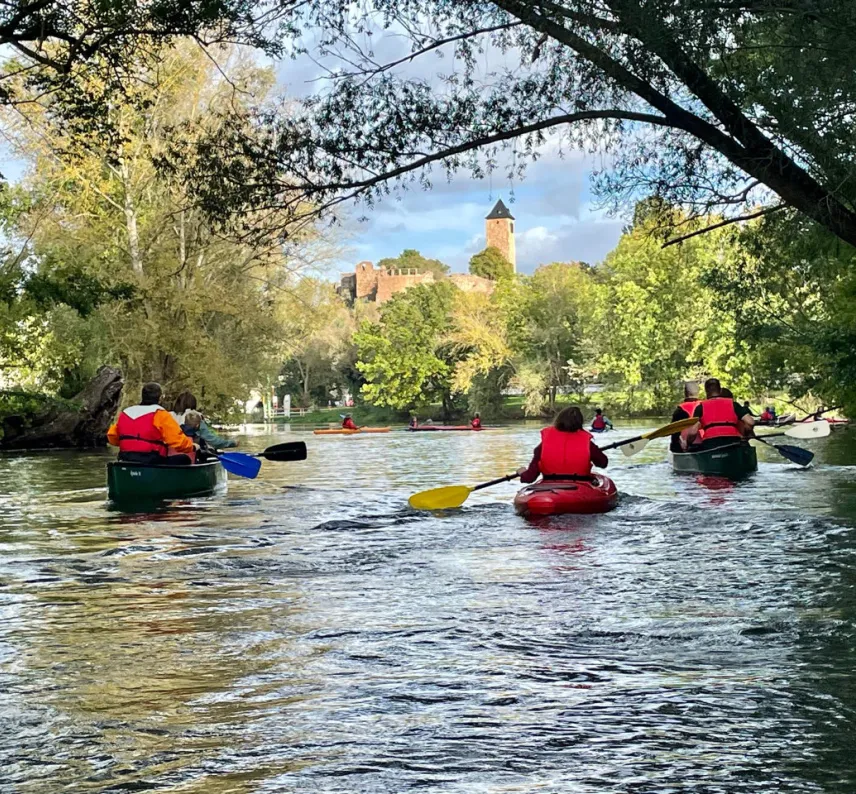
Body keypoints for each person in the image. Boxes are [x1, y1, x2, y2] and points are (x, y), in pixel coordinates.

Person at [108, 382, 196, 465]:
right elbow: (178, 442)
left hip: (125, 458)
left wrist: (132, 445)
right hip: (151, 459)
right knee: (185, 459)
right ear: (160, 398)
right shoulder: (160, 413)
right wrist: (193, 447)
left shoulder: (126, 412)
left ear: (142, 396)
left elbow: (112, 437)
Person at [517, 406, 608, 483]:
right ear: (580, 422)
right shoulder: (587, 443)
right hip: (579, 484)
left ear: (559, 420)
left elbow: (529, 478)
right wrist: (593, 453)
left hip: (550, 484)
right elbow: (603, 463)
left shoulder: (543, 445)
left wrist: (522, 473)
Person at [687, 378, 754, 450]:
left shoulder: (700, 407)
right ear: (720, 390)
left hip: (710, 442)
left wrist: (688, 443)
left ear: (706, 392)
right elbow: (751, 422)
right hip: (733, 440)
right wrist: (747, 435)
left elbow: (693, 432)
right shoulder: (733, 404)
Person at [171, 390, 237, 448]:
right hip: (190, 453)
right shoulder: (195, 416)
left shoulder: (168, 415)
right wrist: (232, 443)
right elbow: (213, 441)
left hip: (169, 454)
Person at [671, 381, 702, 453]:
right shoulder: (705, 406)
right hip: (704, 445)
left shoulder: (679, 411)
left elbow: (674, 436)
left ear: (685, 393)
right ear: (698, 393)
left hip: (686, 447)